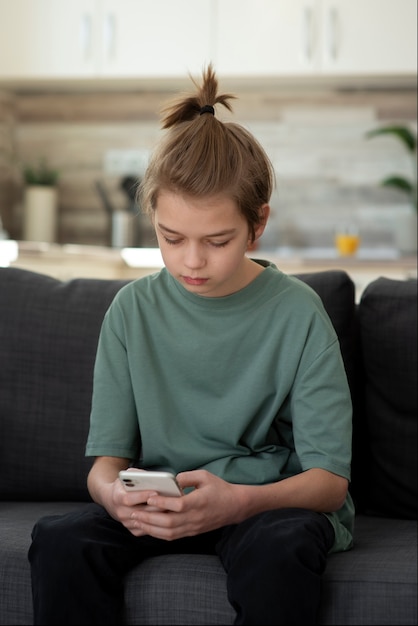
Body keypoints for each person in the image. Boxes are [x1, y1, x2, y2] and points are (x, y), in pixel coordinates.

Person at [28, 64, 354, 626]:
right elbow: (105, 465)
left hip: (263, 506)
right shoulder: (131, 311)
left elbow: (328, 484)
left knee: (282, 550)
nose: (192, 261)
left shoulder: (299, 311)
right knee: (61, 541)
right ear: (152, 219)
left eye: (217, 240)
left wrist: (239, 501)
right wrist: (113, 497)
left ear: (257, 225)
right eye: (170, 238)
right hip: (162, 506)